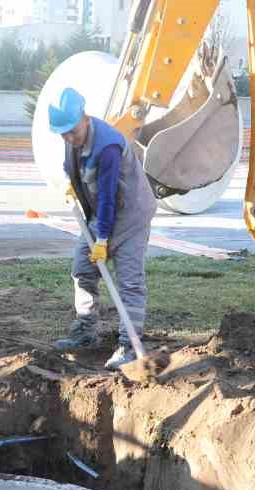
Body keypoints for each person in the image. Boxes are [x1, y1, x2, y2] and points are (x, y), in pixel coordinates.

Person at [46, 86, 157, 370]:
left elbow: (109, 196)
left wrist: (103, 239)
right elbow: (74, 169)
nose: (69, 137)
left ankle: (129, 346)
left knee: (129, 280)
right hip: (103, 214)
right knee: (82, 267)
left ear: (85, 117)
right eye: (64, 133)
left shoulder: (107, 146)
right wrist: (70, 184)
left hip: (131, 214)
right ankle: (85, 330)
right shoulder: (72, 139)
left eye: (72, 130)